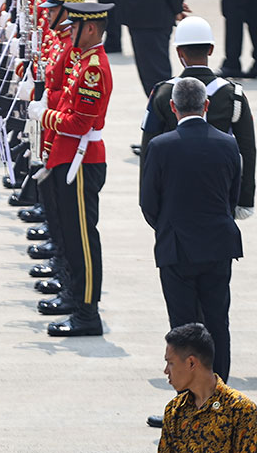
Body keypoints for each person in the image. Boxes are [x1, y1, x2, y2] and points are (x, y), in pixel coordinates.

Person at [141, 77, 243, 384]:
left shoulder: (160, 146)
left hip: (177, 248)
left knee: (184, 328)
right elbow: (232, 197)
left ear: (172, 107)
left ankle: (189, 406)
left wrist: (169, 228)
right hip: (217, 246)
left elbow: (148, 203)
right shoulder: (228, 143)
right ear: (206, 105)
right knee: (217, 323)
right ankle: (218, 401)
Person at [28, 2, 113, 336]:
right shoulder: (83, 61)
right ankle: (73, 295)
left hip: (82, 158)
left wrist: (43, 115)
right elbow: (67, 102)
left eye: (74, 26)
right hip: (68, 156)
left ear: (89, 28)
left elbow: (78, 122)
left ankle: (87, 312)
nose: (68, 30)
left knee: (82, 242)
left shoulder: (94, 67)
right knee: (69, 234)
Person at [140, 15, 255, 217]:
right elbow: (247, 148)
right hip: (219, 190)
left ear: (178, 52)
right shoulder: (233, 95)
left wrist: (147, 201)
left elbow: (149, 150)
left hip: (173, 190)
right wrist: (245, 198)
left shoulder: (162, 93)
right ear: (210, 49)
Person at [158, 323, 257, 452]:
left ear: (191, 363)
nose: (166, 371)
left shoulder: (241, 410)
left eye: (171, 363)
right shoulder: (174, 410)